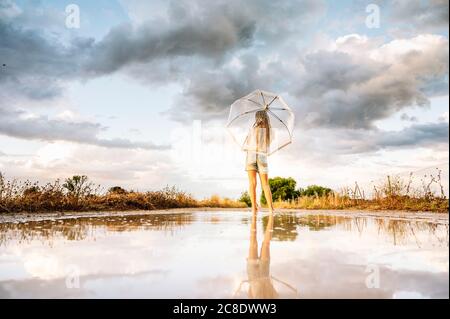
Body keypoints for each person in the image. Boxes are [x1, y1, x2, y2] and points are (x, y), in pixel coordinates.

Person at [245, 110, 274, 215]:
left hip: (251, 155)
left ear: (257, 118)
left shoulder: (253, 129)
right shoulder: (269, 131)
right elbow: (268, 144)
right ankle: (271, 209)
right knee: (265, 184)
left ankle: (254, 208)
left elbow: (247, 144)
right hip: (262, 155)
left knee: (252, 183)